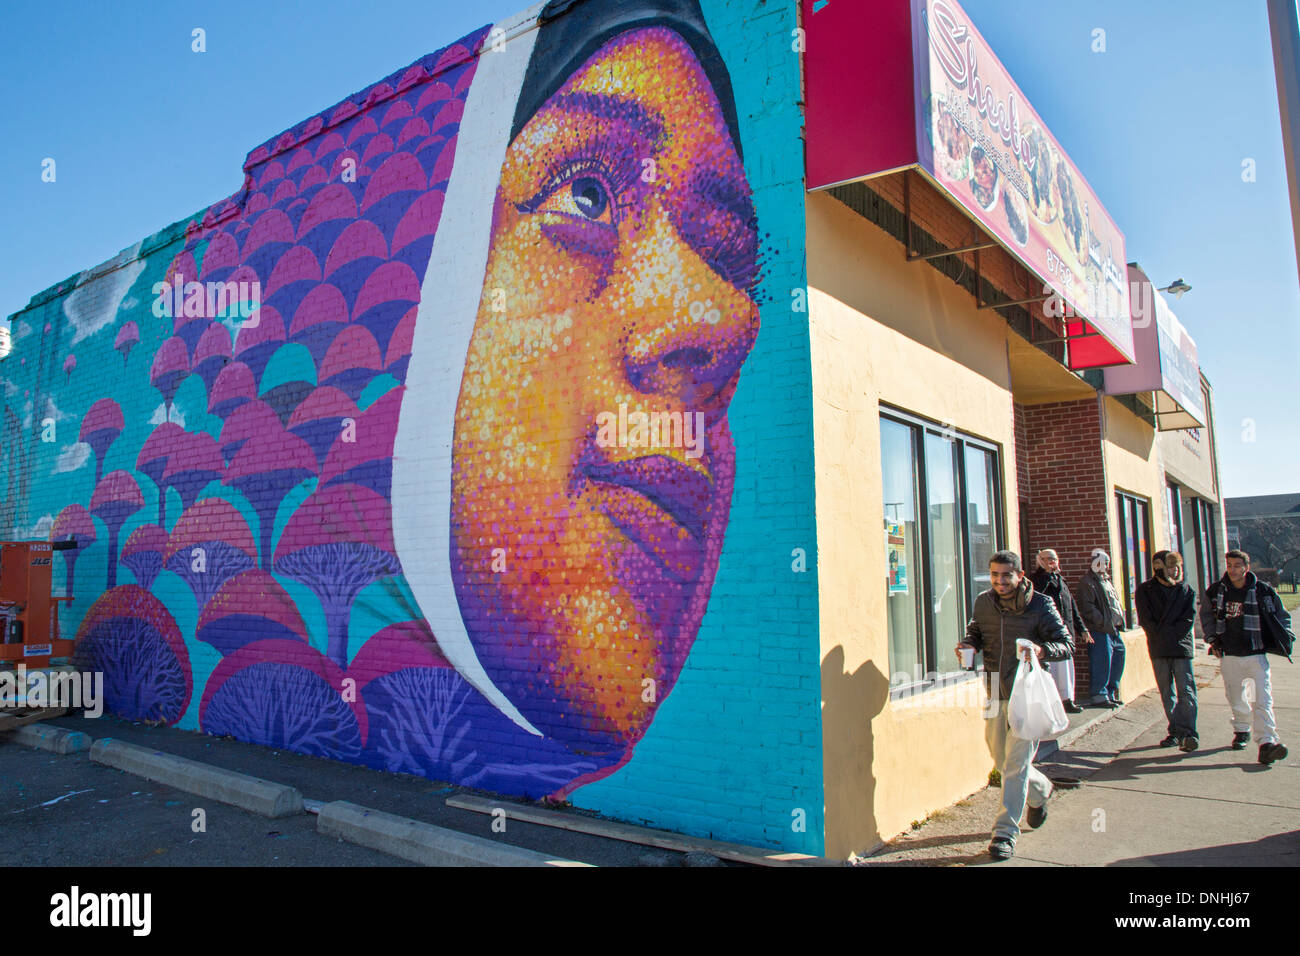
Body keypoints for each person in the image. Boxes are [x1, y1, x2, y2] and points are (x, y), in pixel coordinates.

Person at [958, 549, 1074, 861]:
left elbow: (1067, 644)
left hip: (1028, 693)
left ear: (1020, 575)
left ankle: (1004, 834)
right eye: (994, 575)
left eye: (1006, 575)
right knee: (1000, 759)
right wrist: (968, 645)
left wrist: (1042, 650)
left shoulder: (1041, 604)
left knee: (1015, 764)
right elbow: (976, 633)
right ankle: (1040, 789)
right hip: (995, 689)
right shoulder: (984, 602)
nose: (999, 581)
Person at [1199, 550, 1295, 765]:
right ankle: (1242, 729)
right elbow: (1206, 615)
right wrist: (1213, 638)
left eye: (1237, 565)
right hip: (1230, 653)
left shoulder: (1263, 591)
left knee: (1262, 698)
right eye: (1229, 565)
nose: (1232, 569)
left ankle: (1267, 743)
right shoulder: (1216, 591)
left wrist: (1284, 635)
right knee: (1236, 696)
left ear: (1246, 568)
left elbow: (1282, 616)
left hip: (1256, 654)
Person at [1136, 550, 1198, 752]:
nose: (1175, 570)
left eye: (1177, 566)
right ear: (1159, 568)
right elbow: (1146, 620)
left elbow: (1187, 620)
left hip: (1182, 648)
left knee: (1186, 691)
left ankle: (1188, 732)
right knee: (1167, 692)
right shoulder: (1145, 590)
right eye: (1170, 566)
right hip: (1158, 648)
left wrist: (1169, 634)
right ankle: (1175, 731)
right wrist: (1162, 635)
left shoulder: (1186, 591)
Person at [1029, 548, 1090, 713]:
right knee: (1052, 668)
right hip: (1047, 633)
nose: (1052, 562)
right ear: (1040, 561)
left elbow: (1072, 606)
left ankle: (1067, 699)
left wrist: (1082, 628)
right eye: (1047, 559)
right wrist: (1047, 575)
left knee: (1066, 668)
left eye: (1054, 558)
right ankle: (1054, 702)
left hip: (1064, 631)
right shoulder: (1037, 580)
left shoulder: (1061, 580)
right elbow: (1037, 598)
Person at [1076, 549, 1126, 708]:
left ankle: (1110, 693)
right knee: (1102, 662)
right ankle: (1099, 695)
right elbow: (1087, 607)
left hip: (1114, 629)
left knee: (1118, 659)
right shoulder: (1087, 582)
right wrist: (1102, 622)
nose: (1107, 565)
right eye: (1105, 562)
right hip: (1100, 630)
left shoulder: (1107, 580)